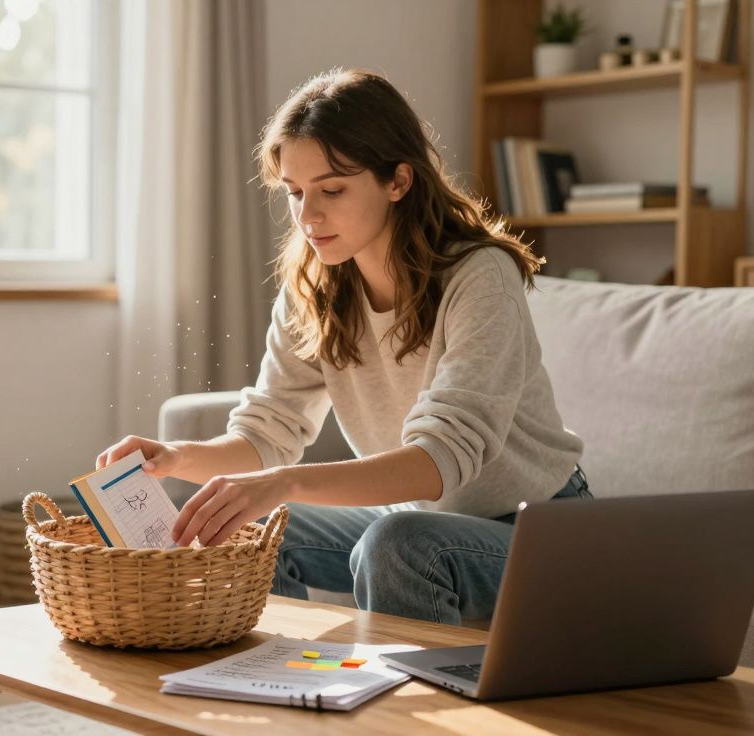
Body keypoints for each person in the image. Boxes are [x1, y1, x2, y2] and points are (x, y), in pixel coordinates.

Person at [95, 68, 587, 626]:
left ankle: (407, 714)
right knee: (246, 524)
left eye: (332, 190)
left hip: (537, 529)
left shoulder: (479, 277)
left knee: (397, 543)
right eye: (295, 193)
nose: (308, 216)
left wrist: (285, 482)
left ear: (398, 181)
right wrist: (176, 458)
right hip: (415, 518)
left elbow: (442, 459)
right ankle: (282, 691)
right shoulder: (316, 286)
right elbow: (267, 432)